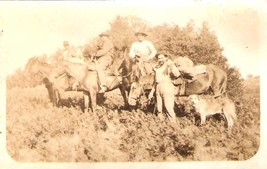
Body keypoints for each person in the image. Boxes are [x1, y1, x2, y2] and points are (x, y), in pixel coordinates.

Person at [148, 54, 180, 123]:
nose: (160, 59)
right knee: (159, 109)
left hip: (167, 86)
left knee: (168, 107)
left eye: (162, 58)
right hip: (158, 87)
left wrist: (171, 66)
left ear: (166, 58)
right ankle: (162, 125)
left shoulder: (169, 65)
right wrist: (151, 92)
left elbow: (177, 74)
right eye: (159, 58)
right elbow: (156, 81)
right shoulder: (157, 68)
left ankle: (174, 126)